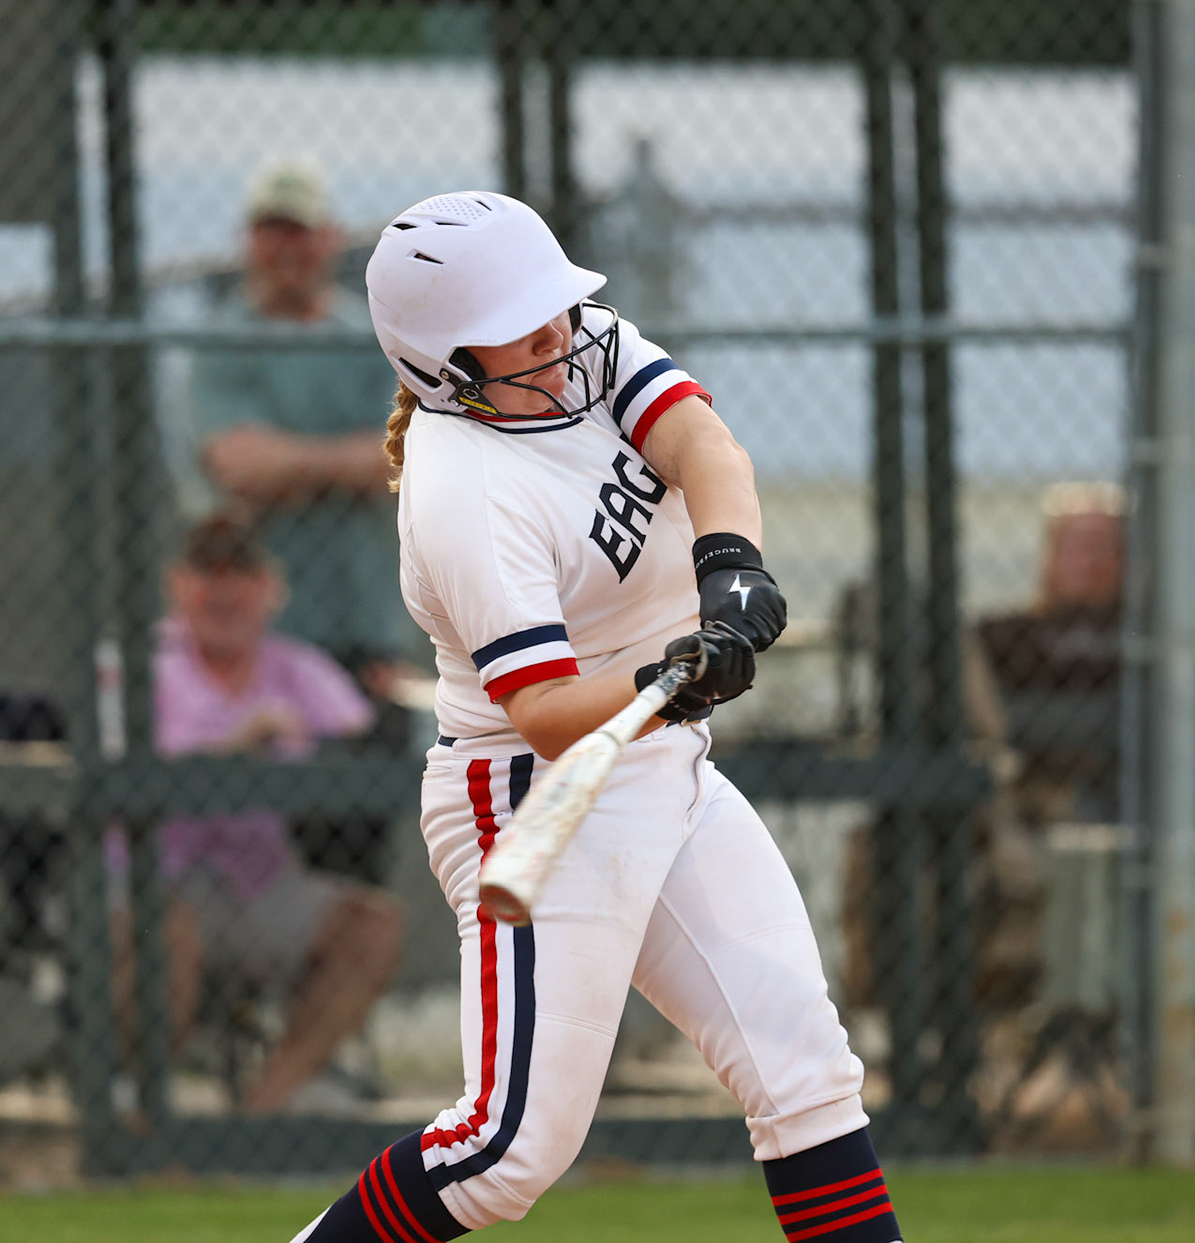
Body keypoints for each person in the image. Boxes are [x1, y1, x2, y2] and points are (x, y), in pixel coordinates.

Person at [288, 193, 901, 1242]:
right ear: (448, 368)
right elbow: (548, 712)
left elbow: (706, 447)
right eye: (525, 336)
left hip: (661, 760)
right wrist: (678, 674)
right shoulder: (465, 493)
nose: (561, 342)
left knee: (806, 1070)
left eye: (556, 316)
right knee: (505, 1149)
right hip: (535, 795)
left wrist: (729, 567)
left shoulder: (576, 343)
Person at [111, 510, 404, 1114]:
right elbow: (128, 770)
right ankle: (146, 1113)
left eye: (240, 571)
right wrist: (238, 743)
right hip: (149, 880)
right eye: (206, 571)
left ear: (272, 588)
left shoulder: (298, 668)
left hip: (259, 882)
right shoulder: (133, 668)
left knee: (371, 926)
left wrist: (387, 708)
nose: (223, 589)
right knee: (169, 929)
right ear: (176, 584)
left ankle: (265, 1111)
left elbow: (362, 738)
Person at [192, 157, 418, 886]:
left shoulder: (371, 336)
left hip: (365, 632)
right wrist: (341, 464)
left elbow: (400, 462)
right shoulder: (221, 342)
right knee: (259, 858)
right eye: (271, 232)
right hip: (262, 647)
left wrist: (287, 464)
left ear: (330, 240)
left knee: (356, 866)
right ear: (248, 242)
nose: (286, 249)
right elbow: (234, 466)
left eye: (301, 232)